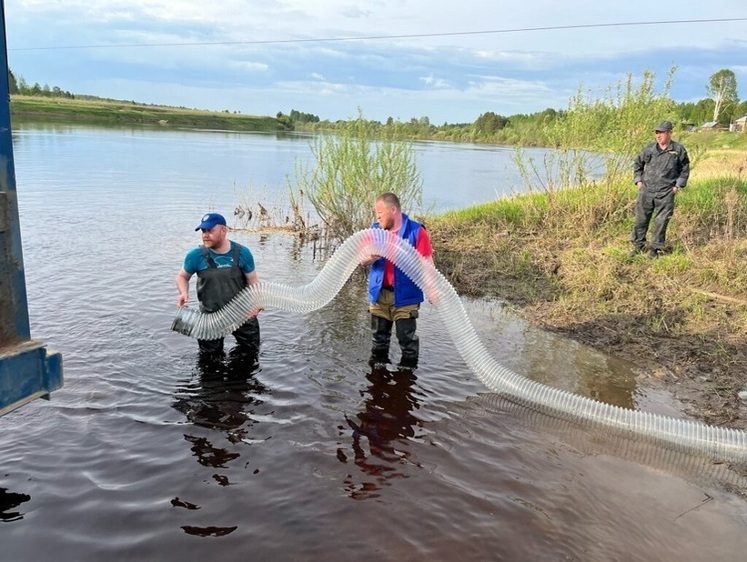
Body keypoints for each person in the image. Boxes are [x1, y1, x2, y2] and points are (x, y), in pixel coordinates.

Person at [360, 193, 434, 369]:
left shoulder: (416, 231)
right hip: (379, 295)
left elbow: (427, 263)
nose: (377, 217)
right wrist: (371, 256)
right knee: (379, 341)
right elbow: (361, 259)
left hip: (406, 297)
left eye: (380, 213)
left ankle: (406, 381)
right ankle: (378, 384)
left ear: (393, 210)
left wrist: (432, 289)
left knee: (407, 341)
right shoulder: (374, 231)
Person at [176, 212, 260, 357]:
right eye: (203, 231)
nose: (205, 235)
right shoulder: (195, 255)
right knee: (210, 359)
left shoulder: (242, 253)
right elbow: (182, 277)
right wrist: (183, 292)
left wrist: (257, 305)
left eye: (210, 230)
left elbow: (253, 282)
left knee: (250, 354)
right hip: (210, 318)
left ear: (223, 230)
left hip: (243, 314)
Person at [631, 120, 690, 259]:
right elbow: (637, 164)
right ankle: (638, 246)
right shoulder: (649, 149)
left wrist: (677, 186)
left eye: (662, 132)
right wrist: (638, 180)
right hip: (646, 191)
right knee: (641, 219)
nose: (659, 135)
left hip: (666, 192)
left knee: (661, 221)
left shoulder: (678, 150)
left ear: (670, 133)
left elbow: (685, 170)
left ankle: (655, 249)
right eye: (657, 132)